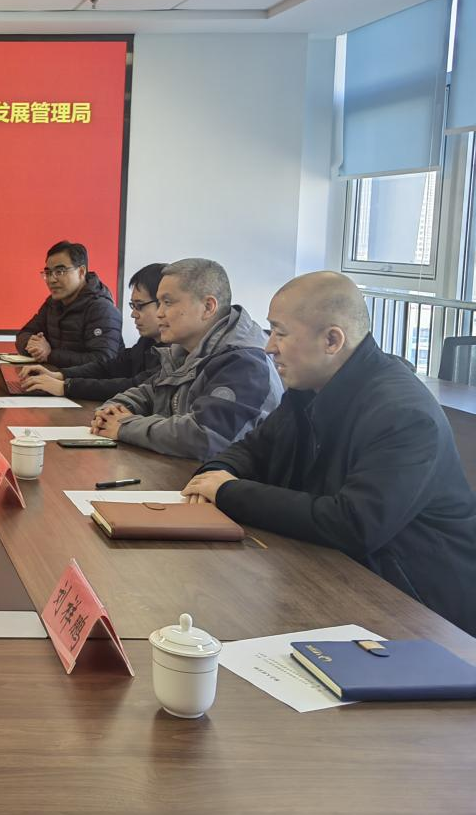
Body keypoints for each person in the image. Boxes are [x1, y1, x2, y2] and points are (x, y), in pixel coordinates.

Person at [182, 271, 476, 634]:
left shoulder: (404, 415)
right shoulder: (309, 389)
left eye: (280, 333)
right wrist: (213, 475)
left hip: (417, 611)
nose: (269, 347)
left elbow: (353, 524)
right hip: (327, 574)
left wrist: (227, 491)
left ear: (332, 340)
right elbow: (252, 450)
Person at [90, 258, 282, 461]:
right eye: (159, 303)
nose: (159, 313)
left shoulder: (245, 363)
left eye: (167, 302)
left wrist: (125, 426)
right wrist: (110, 412)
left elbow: (206, 436)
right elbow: (150, 392)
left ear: (208, 307)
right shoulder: (183, 352)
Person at [19, 262, 167, 400]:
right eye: (133, 306)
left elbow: (135, 386)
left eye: (140, 306)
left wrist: (66, 386)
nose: (133, 314)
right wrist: (60, 375)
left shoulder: (174, 354)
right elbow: (109, 367)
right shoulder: (147, 342)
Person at [16, 240, 123, 368]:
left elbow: (103, 361)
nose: (51, 280)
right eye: (48, 273)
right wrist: (34, 346)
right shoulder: (53, 303)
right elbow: (24, 333)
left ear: (81, 272)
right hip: (55, 376)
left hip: (86, 381)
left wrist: (50, 355)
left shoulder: (102, 309)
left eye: (60, 271)